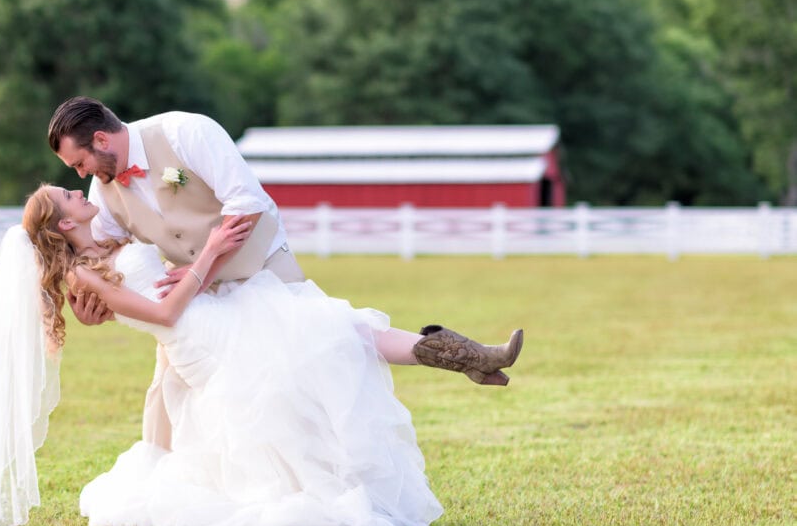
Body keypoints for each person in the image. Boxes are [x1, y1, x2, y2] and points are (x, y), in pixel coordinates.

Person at [0, 184, 523, 526]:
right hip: (207, 339)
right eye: (71, 197)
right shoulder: (81, 274)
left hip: (224, 312)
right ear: (61, 225)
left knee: (342, 330)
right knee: (324, 364)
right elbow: (166, 312)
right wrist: (211, 251)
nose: (83, 194)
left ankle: (470, 356)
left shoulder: (104, 241)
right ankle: (374, 492)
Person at [46, 97, 519, 455]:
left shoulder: (185, 132)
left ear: (102, 141)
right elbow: (109, 262)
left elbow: (246, 202)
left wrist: (201, 265)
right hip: (197, 301)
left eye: (79, 163)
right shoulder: (103, 192)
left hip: (258, 263)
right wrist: (97, 312)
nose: (81, 173)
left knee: (325, 340)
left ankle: (458, 354)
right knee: (174, 388)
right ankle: (167, 483)